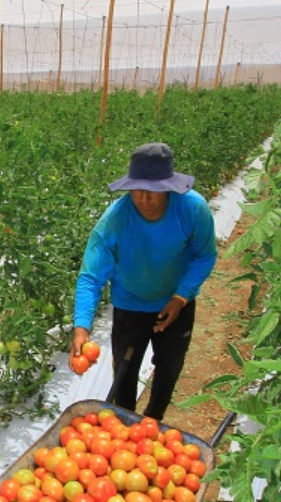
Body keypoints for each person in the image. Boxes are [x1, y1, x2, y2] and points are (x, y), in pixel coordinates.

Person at [70, 142, 217, 420]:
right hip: (130, 306)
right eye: (137, 190)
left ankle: (153, 421)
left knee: (169, 367)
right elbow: (91, 276)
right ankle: (125, 422)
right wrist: (81, 327)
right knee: (124, 372)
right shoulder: (115, 220)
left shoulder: (192, 210)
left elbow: (204, 256)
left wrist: (181, 297)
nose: (143, 198)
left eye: (153, 191)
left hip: (176, 305)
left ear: (169, 188)